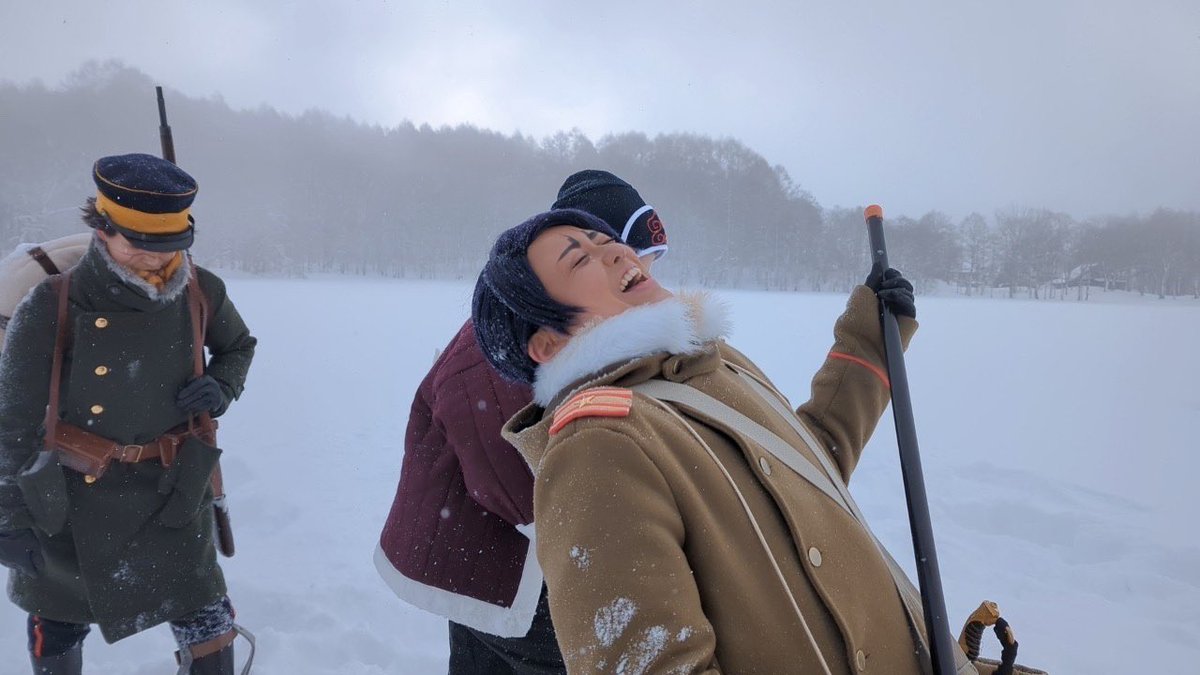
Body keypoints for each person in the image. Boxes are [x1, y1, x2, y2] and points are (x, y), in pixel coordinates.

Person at [468, 206, 946, 674]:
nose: (615, 251)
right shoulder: (594, 448)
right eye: (578, 259)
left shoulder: (715, 365)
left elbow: (811, 469)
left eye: (605, 239)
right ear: (547, 343)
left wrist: (870, 343)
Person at [375, 171, 668, 674]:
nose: (636, 271)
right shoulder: (505, 337)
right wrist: (587, 533)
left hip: (504, 554)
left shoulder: (577, 329)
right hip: (490, 562)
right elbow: (495, 458)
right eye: (629, 254)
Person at [0, 153, 256, 674]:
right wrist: (7, 516)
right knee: (61, 621)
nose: (154, 259)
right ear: (102, 228)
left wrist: (221, 386)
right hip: (72, 497)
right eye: (138, 244)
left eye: (169, 245)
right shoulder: (52, 303)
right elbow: (13, 419)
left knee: (208, 622)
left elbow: (238, 346)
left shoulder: (201, 289)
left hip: (173, 490)